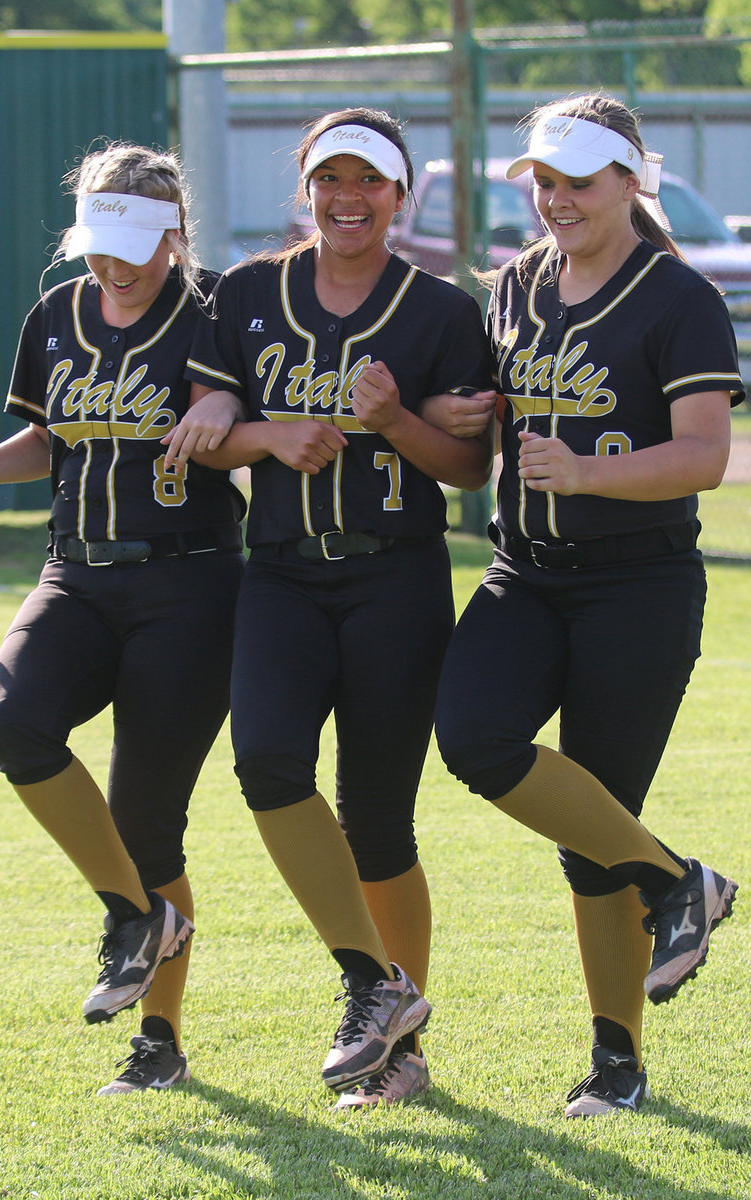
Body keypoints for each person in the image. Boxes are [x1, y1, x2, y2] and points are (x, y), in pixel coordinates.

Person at [0, 143, 245, 1096]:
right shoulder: (56, 313)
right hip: (75, 574)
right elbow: (47, 439)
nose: (113, 265)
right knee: (15, 721)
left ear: (174, 232)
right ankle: (133, 913)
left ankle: (160, 1043)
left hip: (191, 584)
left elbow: (237, 404)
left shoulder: (217, 306)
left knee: (149, 820)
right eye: (98, 245)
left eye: (134, 244)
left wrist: (221, 405)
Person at [173, 107, 496, 1108]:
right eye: (328, 179)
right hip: (278, 571)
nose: (346, 198)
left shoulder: (439, 310)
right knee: (267, 763)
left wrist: (393, 418)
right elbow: (205, 429)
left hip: (394, 574)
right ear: (304, 188)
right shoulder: (245, 292)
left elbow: (469, 465)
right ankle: (372, 983)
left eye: (368, 182)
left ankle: (398, 1055)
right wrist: (269, 435)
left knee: (379, 821)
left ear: (400, 195)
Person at [433, 94, 741, 1118]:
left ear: (628, 181)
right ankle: (676, 883)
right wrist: (435, 417)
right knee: (472, 735)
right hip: (522, 576)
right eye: (543, 178)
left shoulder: (678, 297)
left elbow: (703, 456)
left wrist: (584, 473)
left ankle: (617, 1063)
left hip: (636, 589)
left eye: (576, 178)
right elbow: (484, 446)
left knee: (588, 832)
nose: (555, 196)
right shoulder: (515, 284)